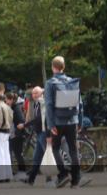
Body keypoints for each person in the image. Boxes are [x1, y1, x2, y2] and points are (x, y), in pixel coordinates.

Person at [45, 56, 83, 188]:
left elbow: (49, 105)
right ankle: (76, 180)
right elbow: (80, 103)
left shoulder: (50, 83)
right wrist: (80, 121)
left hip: (57, 121)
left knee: (55, 148)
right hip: (72, 120)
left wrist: (51, 124)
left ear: (53, 67)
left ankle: (63, 174)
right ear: (63, 67)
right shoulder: (72, 81)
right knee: (73, 150)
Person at [24, 87, 50, 185]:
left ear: (41, 93)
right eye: (33, 93)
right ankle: (31, 179)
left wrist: (26, 124)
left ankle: (49, 178)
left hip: (44, 132)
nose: (34, 95)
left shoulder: (43, 103)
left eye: (36, 93)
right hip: (39, 132)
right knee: (37, 157)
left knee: (47, 156)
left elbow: (39, 119)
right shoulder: (36, 103)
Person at [7, 91, 27, 175]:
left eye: (7, 100)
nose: (5, 101)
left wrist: (17, 128)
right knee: (11, 153)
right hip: (12, 134)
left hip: (16, 134)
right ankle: (12, 171)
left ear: (11, 100)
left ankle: (22, 171)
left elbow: (21, 120)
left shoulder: (16, 108)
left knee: (18, 154)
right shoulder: (11, 107)